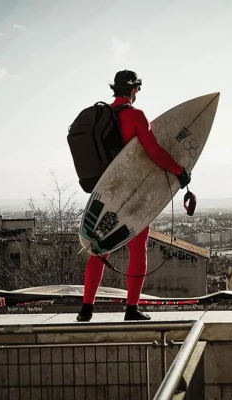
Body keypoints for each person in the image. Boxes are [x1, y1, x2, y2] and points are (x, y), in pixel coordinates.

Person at [77, 70, 191, 322]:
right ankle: (131, 309)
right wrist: (179, 172)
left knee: (99, 249)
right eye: (137, 89)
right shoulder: (135, 116)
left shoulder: (101, 118)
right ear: (133, 89)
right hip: (130, 192)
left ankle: (86, 310)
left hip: (105, 191)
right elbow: (154, 152)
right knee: (138, 250)